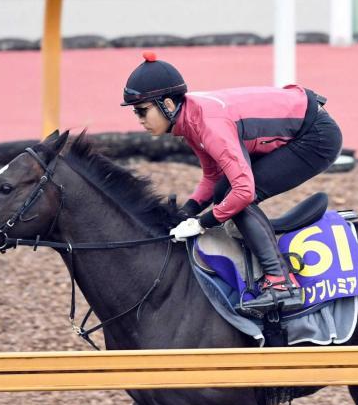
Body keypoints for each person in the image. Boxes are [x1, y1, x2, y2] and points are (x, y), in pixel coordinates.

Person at [121, 51, 343, 313]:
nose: (139, 120)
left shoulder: (208, 124)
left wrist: (203, 223)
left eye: (142, 111)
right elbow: (213, 176)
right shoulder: (189, 116)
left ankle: (282, 283)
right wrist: (186, 212)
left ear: (168, 105)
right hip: (303, 122)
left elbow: (244, 190)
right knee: (223, 190)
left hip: (315, 138)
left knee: (235, 195)